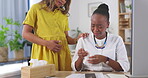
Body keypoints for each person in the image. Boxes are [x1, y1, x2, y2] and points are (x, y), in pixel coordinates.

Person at [22, 0, 88, 71]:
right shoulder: (36, 8)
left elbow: (66, 38)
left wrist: (77, 39)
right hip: (44, 54)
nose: (63, 1)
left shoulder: (63, 13)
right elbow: (25, 33)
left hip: (63, 55)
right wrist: (47, 43)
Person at [72, 4, 130, 72]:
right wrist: (80, 58)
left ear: (108, 24)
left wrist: (105, 59)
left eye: (100, 26)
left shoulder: (117, 40)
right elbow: (76, 68)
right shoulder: (84, 40)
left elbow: (125, 67)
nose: (95, 29)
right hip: (88, 75)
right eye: (93, 25)